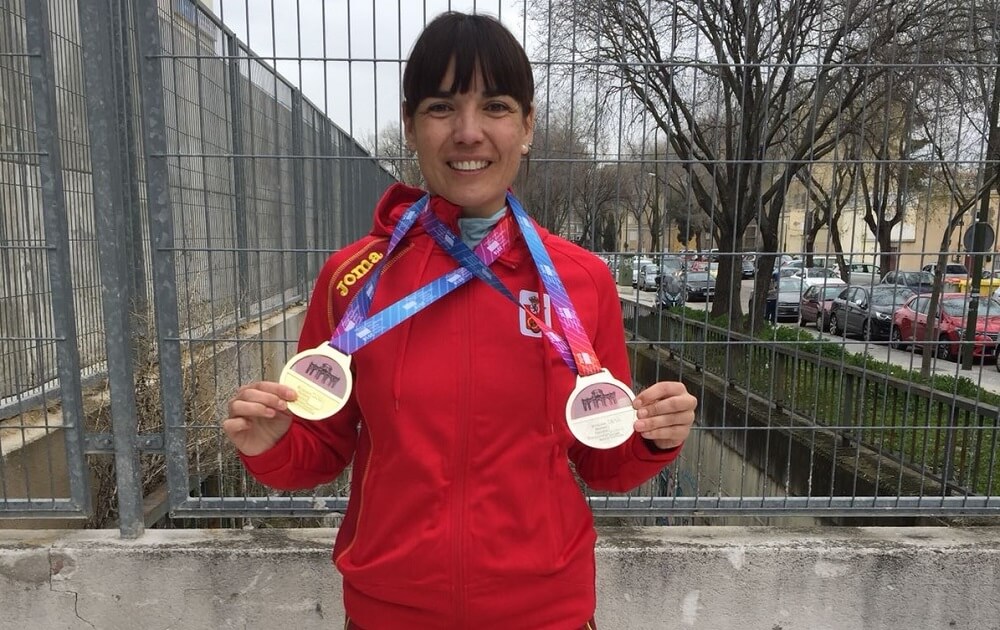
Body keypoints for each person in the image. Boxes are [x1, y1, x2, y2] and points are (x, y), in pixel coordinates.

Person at [223, 12, 697, 630]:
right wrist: (274, 442)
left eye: (495, 106)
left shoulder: (581, 280)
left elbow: (601, 460)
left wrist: (652, 435)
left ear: (526, 126)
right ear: (411, 127)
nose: (468, 132)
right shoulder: (352, 279)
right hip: (388, 613)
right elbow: (323, 448)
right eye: (442, 107)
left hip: (545, 613)